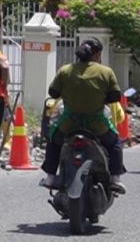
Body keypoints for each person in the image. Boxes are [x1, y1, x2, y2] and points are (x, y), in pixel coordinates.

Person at [40, 38, 126, 194]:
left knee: (53, 141)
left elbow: (53, 93)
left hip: (68, 125)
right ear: (97, 54)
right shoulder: (106, 72)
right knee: (115, 144)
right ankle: (115, 179)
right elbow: (115, 97)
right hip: (97, 126)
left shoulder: (65, 70)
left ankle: (50, 177)